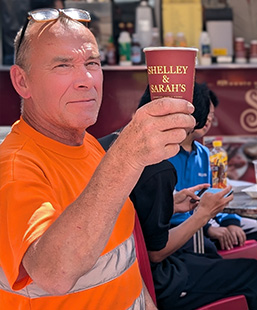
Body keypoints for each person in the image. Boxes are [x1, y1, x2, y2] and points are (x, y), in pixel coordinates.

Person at [0, 9, 196, 309]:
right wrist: (126, 157)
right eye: (63, 65)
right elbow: (53, 273)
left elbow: (124, 264)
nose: (86, 80)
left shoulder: (87, 144)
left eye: (92, 63)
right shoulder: (13, 167)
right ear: (22, 82)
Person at [100, 85, 257, 310]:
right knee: (250, 273)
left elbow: (131, 213)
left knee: (218, 260)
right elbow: (156, 252)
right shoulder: (158, 167)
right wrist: (202, 216)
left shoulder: (103, 146)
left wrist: (170, 205)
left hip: (117, 271)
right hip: (156, 281)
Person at [168, 84, 257, 281]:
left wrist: (230, 222)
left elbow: (220, 193)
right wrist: (208, 229)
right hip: (183, 231)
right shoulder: (164, 156)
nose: (209, 120)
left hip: (210, 221)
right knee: (207, 250)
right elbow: (167, 210)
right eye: (205, 113)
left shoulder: (206, 154)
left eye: (211, 115)